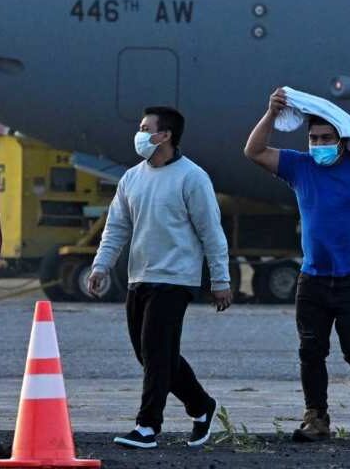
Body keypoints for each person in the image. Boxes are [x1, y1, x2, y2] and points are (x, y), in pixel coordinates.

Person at [244, 88, 350, 441]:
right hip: (313, 278)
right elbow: (255, 151)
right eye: (313, 138)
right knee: (311, 350)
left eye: (326, 138)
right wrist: (270, 115)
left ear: (341, 140)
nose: (319, 143)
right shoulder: (300, 167)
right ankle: (317, 417)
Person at [89, 106, 232, 450]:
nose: (138, 134)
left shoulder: (192, 177)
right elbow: (116, 227)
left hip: (176, 279)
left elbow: (211, 231)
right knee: (151, 354)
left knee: (156, 352)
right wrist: (100, 265)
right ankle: (201, 405)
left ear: (164, 135)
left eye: (144, 128)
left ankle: (147, 426)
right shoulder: (132, 178)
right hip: (140, 276)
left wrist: (221, 279)